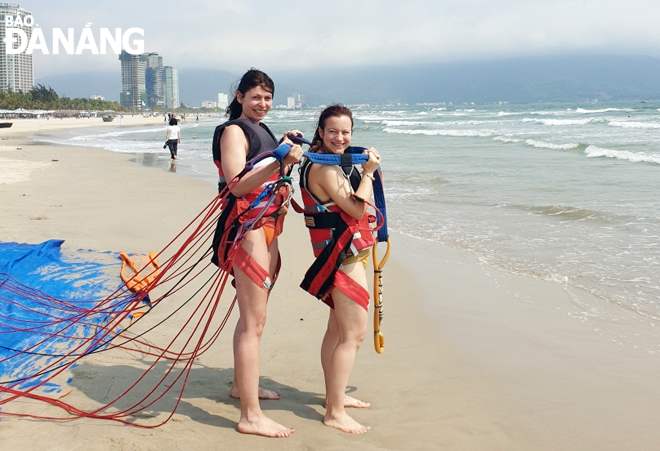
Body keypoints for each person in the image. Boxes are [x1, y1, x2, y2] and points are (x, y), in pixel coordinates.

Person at [211, 68, 303, 438]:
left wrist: (280, 146)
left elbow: (262, 161)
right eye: (255, 97)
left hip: (268, 228)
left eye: (268, 98)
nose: (262, 104)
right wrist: (281, 161)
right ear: (239, 97)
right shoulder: (234, 130)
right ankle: (250, 415)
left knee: (252, 317)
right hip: (246, 229)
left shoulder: (261, 130)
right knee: (254, 323)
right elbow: (236, 186)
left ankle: (240, 387)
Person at [298, 104, 381, 434]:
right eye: (332, 131)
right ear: (320, 131)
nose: (339, 137)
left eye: (346, 132)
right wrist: (371, 172)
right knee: (353, 336)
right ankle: (334, 411)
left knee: (336, 331)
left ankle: (336, 396)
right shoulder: (325, 169)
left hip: (343, 255)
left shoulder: (329, 163)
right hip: (341, 258)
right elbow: (355, 205)